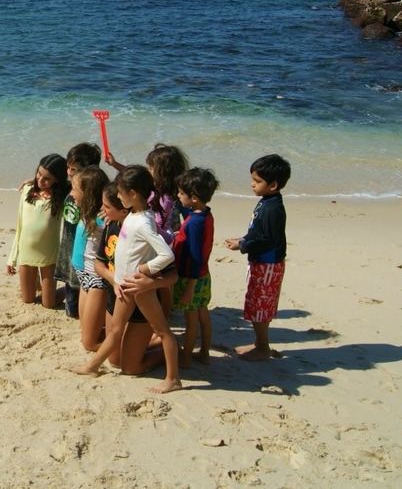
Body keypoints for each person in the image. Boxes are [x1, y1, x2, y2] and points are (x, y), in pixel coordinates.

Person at [73, 166, 182, 393]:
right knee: (115, 332)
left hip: (139, 288)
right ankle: (92, 366)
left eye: (121, 193)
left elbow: (167, 255)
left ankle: (173, 379)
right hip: (123, 286)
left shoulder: (144, 222)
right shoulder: (132, 215)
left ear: (133, 194)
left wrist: (147, 270)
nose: (118, 196)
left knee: (162, 331)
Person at [224, 154, 291, 362]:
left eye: (258, 181)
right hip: (261, 261)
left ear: (273, 185)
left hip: (268, 264)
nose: (252, 184)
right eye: (253, 179)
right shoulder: (267, 201)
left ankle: (263, 347)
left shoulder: (273, 208)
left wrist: (242, 245)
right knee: (254, 304)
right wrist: (244, 238)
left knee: (260, 308)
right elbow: (258, 231)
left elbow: (268, 239)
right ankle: (258, 343)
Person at [6, 154, 71, 308]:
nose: (41, 180)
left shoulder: (62, 197)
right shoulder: (27, 190)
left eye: (47, 178)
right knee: (27, 300)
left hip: (48, 255)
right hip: (26, 253)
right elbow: (20, 226)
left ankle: (73, 290)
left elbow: (80, 184)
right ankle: (34, 282)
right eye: (39, 174)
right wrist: (12, 257)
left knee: (48, 304)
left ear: (58, 179)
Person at [171, 167, 219, 367]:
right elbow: (188, 212)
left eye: (181, 193)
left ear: (194, 198)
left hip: (192, 277)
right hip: (203, 275)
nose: (177, 195)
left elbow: (195, 255)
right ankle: (205, 352)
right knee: (202, 314)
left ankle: (186, 358)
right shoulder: (205, 214)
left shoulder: (195, 223)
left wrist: (189, 286)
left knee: (191, 320)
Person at [107, 143, 190, 242]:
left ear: (163, 173)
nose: (147, 171)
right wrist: (114, 164)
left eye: (150, 168)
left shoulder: (172, 197)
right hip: (153, 234)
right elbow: (134, 176)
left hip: (162, 239)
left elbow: (157, 226)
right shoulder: (154, 186)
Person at [57, 143, 102, 318]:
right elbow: (50, 178)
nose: (68, 172)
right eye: (68, 167)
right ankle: (71, 306)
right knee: (70, 282)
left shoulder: (96, 197)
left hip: (84, 250)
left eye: (73, 169)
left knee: (80, 286)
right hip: (68, 245)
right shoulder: (70, 187)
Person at [69, 165, 110, 351]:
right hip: (83, 275)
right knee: (85, 331)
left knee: (89, 344)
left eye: (75, 189)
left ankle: (149, 342)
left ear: (88, 193)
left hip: (96, 280)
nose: (71, 193)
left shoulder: (105, 218)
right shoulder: (86, 210)